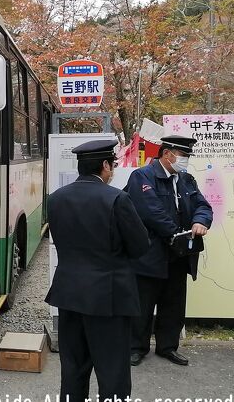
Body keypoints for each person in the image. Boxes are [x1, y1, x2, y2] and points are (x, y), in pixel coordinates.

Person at [46, 139, 149, 402]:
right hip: (108, 299)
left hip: (69, 295)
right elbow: (139, 246)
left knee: (73, 370)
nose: (113, 169)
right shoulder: (117, 198)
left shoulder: (56, 198)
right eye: (112, 164)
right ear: (104, 165)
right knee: (113, 373)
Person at [124, 135, 212, 367]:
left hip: (179, 255)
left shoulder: (186, 180)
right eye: (183, 156)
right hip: (150, 252)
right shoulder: (142, 176)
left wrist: (200, 221)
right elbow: (149, 211)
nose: (185, 161)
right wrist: (176, 234)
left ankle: (168, 346)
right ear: (167, 154)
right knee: (143, 304)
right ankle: (136, 347)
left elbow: (203, 205)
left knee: (173, 303)